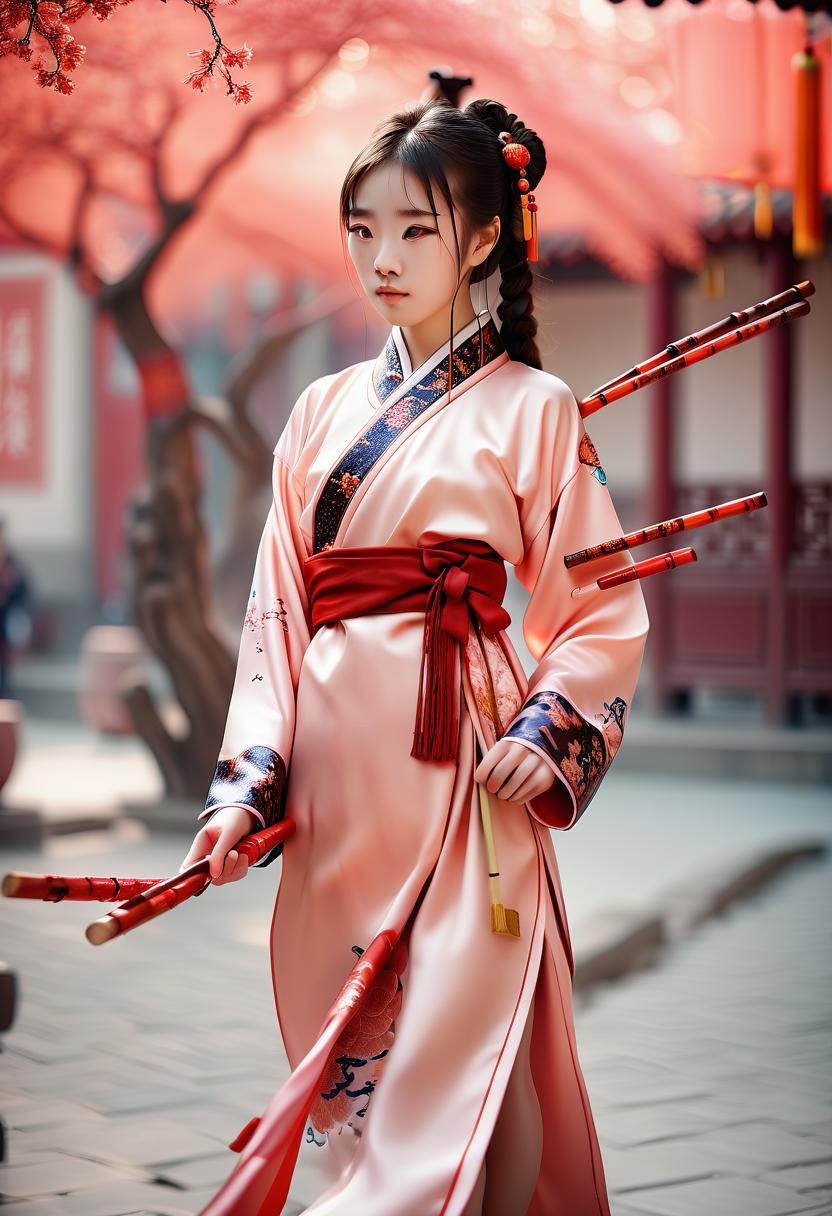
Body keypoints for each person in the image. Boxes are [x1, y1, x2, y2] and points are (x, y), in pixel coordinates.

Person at [180, 96, 649, 1216]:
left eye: (415, 230)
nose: (380, 258)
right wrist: (249, 780)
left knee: (473, 1046)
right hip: (344, 789)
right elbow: (273, 616)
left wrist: (554, 727)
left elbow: (600, 599)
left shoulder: (536, 407)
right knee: (384, 1070)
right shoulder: (319, 408)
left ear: (483, 238)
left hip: (469, 778)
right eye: (362, 229)